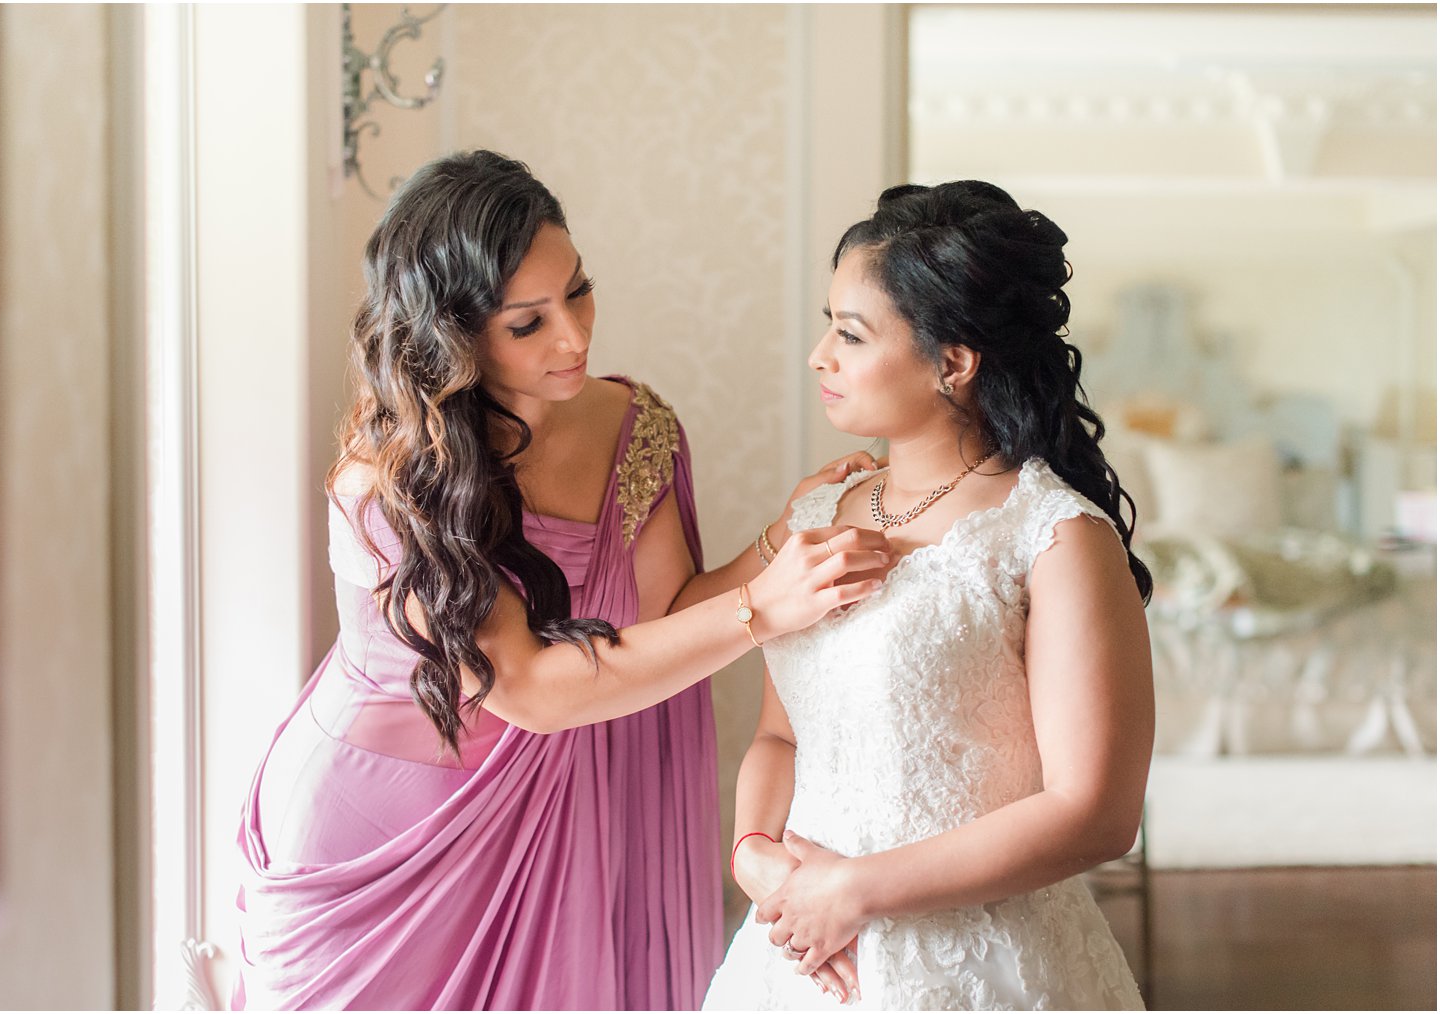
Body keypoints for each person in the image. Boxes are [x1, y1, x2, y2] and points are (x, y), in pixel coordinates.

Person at [232, 150, 891, 1010]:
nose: (575, 336)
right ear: (453, 334)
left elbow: (667, 619)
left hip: (568, 821)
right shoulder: (387, 483)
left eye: (577, 292)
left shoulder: (634, 425)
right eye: (527, 323)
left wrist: (780, 539)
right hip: (388, 834)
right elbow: (532, 689)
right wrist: (762, 610)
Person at [704, 180, 1156, 1011]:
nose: (819, 356)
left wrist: (855, 892)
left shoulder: (1055, 536)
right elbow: (778, 735)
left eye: (849, 334)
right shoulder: (813, 516)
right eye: (826, 326)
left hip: (984, 967)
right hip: (799, 953)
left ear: (953, 362)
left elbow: (1096, 810)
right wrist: (753, 852)